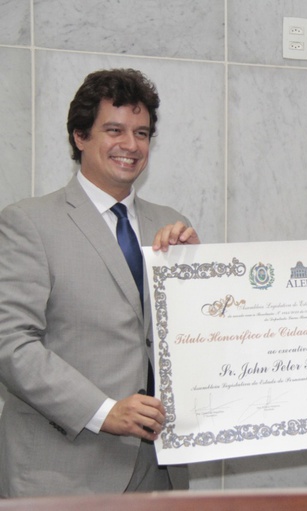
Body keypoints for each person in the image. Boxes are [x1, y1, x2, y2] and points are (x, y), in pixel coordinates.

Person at [0, 68, 200, 497]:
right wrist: (103, 411)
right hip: (64, 472)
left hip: (160, 471)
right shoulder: (28, 223)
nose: (131, 145)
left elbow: (199, 339)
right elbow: (11, 343)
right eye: (114, 130)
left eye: (141, 133)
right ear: (80, 136)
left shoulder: (172, 226)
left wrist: (198, 276)